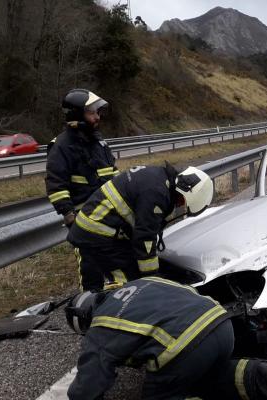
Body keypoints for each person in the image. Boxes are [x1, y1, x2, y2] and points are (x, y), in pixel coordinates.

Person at [65, 277, 267, 399]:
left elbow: (89, 382)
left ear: (84, 320)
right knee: (205, 376)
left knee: (160, 395)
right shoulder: (142, 282)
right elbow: (186, 292)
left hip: (186, 346)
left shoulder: (102, 324)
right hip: (221, 324)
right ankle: (257, 377)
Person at [67, 163, 213, 291]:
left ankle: (90, 310)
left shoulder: (160, 176)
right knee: (128, 287)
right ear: (185, 191)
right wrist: (152, 279)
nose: (179, 205)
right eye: (182, 201)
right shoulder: (157, 193)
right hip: (99, 235)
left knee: (91, 286)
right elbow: (145, 239)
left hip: (93, 229)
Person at [46, 89, 119, 228]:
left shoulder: (99, 142)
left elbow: (114, 174)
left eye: (97, 112)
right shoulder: (62, 146)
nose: (97, 117)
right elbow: (56, 185)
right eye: (91, 112)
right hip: (86, 217)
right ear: (76, 114)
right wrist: (70, 216)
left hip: (112, 213)